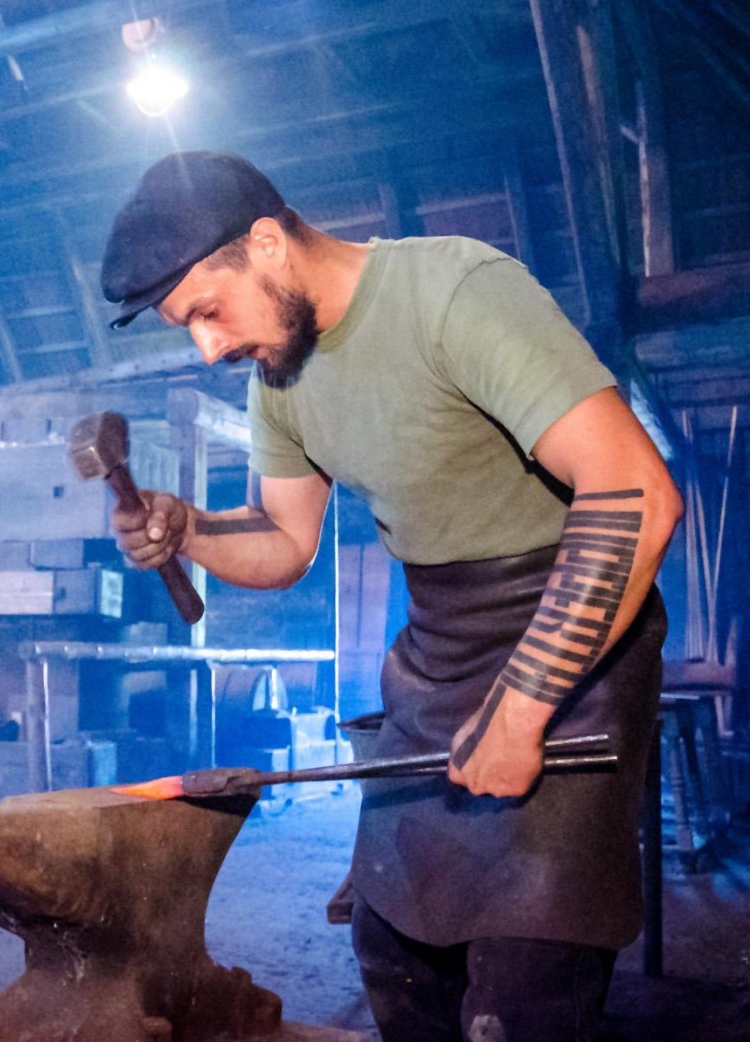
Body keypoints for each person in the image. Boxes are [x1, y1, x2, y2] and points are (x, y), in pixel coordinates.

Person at [99, 151, 681, 1042]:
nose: (208, 348)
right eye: (189, 329)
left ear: (267, 244)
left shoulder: (456, 293)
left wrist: (524, 707)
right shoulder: (280, 374)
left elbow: (634, 495)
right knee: (398, 959)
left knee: (522, 990)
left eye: (207, 312)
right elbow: (285, 541)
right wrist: (189, 529)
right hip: (437, 652)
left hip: (572, 641)